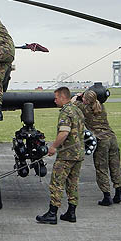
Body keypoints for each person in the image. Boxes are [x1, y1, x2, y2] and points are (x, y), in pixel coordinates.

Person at [36, 87, 85, 224]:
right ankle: (71, 212)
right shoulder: (77, 110)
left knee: (56, 183)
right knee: (73, 183)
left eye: (56, 97)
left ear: (63, 98)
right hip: (78, 154)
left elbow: (64, 132)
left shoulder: (66, 112)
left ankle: (52, 214)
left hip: (66, 155)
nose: (54, 100)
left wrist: (53, 147)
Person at [72, 90, 121, 206]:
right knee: (115, 166)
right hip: (112, 138)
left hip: (101, 141)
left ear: (85, 100)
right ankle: (118, 193)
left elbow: (71, 103)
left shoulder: (84, 108)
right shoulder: (101, 106)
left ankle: (107, 196)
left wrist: (77, 96)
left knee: (102, 168)